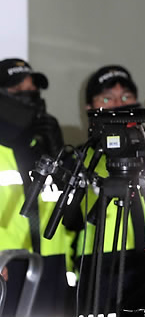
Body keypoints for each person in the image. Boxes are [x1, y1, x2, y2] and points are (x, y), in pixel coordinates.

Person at [70, 65, 145, 314]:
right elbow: (67, 223)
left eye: (126, 97)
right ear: (89, 108)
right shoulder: (82, 159)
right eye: (107, 98)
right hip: (99, 261)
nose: (118, 104)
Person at [0, 58, 70, 316]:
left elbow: (75, 217)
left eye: (33, 90)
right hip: (7, 265)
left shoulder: (44, 146)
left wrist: (61, 154)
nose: (29, 97)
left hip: (53, 265)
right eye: (17, 91)